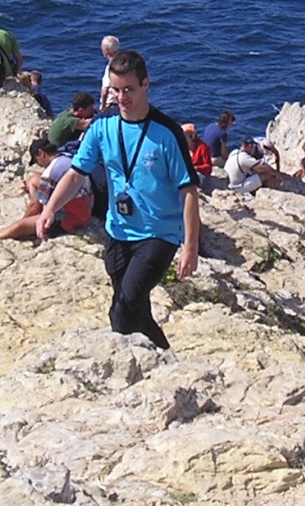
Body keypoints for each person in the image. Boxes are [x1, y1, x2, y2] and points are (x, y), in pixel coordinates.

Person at [37, 49, 199, 349]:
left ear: (146, 85)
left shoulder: (167, 133)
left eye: (128, 90)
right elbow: (76, 174)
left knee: (126, 304)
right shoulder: (102, 126)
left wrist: (191, 246)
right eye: (116, 90)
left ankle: (135, 359)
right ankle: (163, 358)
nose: (121, 97)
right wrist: (50, 208)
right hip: (118, 230)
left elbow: (188, 191)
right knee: (129, 309)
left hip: (159, 233)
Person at [0, 137, 90, 253]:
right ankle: (30, 218)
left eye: (37, 160)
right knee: (32, 177)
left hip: (71, 217)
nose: (39, 165)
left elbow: (39, 205)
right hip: (85, 202)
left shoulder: (50, 172)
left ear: (41, 153)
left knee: (19, 226)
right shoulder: (65, 156)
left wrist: (23, 221)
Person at [183, 124, 214, 192]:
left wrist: (196, 168)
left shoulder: (202, 147)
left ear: (191, 136)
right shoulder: (184, 148)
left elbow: (208, 167)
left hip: (201, 175)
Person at [99, 36, 121, 110]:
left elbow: (105, 91)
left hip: (111, 106)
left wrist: (103, 107)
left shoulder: (110, 67)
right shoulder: (123, 63)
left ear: (106, 50)